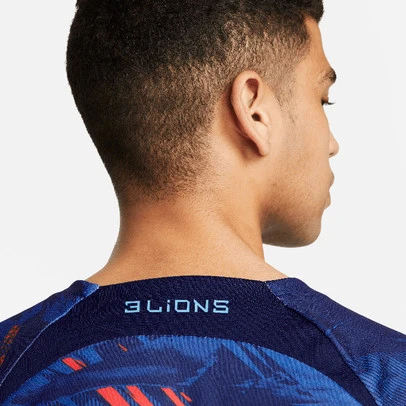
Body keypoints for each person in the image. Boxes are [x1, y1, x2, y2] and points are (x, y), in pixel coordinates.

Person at [0, 0, 405, 404]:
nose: (332, 144)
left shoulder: (12, 364)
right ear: (255, 111)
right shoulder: (382, 376)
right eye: (322, 100)